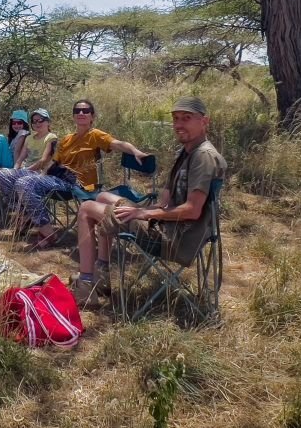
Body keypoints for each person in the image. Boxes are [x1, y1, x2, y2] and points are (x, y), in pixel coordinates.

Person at [69, 96, 227, 307]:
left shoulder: (203, 157)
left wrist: (143, 213)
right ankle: (102, 272)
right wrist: (146, 209)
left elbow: (192, 210)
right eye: (176, 119)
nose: (179, 124)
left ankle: (87, 285)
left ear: (204, 121)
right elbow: (167, 198)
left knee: (87, 208)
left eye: (186, 118)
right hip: (167, 224)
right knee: (103, 197)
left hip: (175, 239)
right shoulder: (189, 151)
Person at [0, 100, 150, 250]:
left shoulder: (96, 135)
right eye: (77, 110)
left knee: (24, 183)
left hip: (77, 183)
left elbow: (118, 144)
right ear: (73, 116)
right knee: (2, 175)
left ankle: (46, 229)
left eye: (85, 111)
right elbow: (53, 163)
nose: (81, 113)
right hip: (56, 178)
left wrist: (136, 151)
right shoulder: (67, 139)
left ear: (92, 116)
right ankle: (27, 212)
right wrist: (41, 175)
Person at [0, 108, 57, 226]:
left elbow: (43, 160)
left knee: (17, 181)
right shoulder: (30, 138)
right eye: (34, 121)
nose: (37, 123)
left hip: (39, 174)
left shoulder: (51, 137)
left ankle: (23, 211)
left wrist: (26, 170)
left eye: (41, 120)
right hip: (25, 171)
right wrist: (15, 169)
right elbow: (20, 158)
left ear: (48, 122)